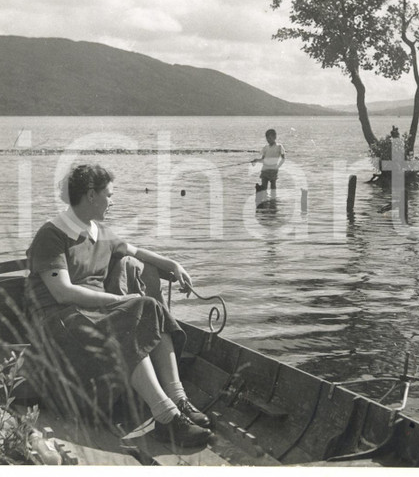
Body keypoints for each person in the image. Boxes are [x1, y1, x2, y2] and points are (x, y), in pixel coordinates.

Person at [24, 163, 212, 448]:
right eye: (109, 195)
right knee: (132, 312)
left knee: (151, 307)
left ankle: (178, 400)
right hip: (58, 322)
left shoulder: (100, 232)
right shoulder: (52, 234)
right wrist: (119, 300)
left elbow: (135, 250)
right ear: (91, 195)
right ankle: (165, 417)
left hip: (93, 314)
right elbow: (62, 292)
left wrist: (172, 264)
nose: (112, 201)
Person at [252, 128, 286, 196]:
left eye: (270, 138)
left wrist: (278, 166)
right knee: (264, 187)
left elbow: (283, 159)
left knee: (273, 187)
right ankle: (264, 199)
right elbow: (263, 160)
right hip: (265, 169)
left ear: (274, 137)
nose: (268, 140)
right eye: (267, 138)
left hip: (274, 169)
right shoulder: (265, 147)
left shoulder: (279, 146)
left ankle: (273, 201)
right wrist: (256, 161)